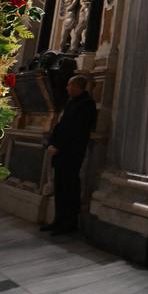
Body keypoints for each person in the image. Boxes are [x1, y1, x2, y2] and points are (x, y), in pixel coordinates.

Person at [43, 75, 98, 234]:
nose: (67, 88)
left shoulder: (86, 104)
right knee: (60, 187)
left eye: (69, 85)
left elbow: (75, 130)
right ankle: (58, 220)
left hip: (71, 153)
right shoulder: (72, 103)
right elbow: (61, 126)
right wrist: (52, 143)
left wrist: (59, 146)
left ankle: (69, 223)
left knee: (69, 188)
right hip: (61, 152)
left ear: (77, 87)